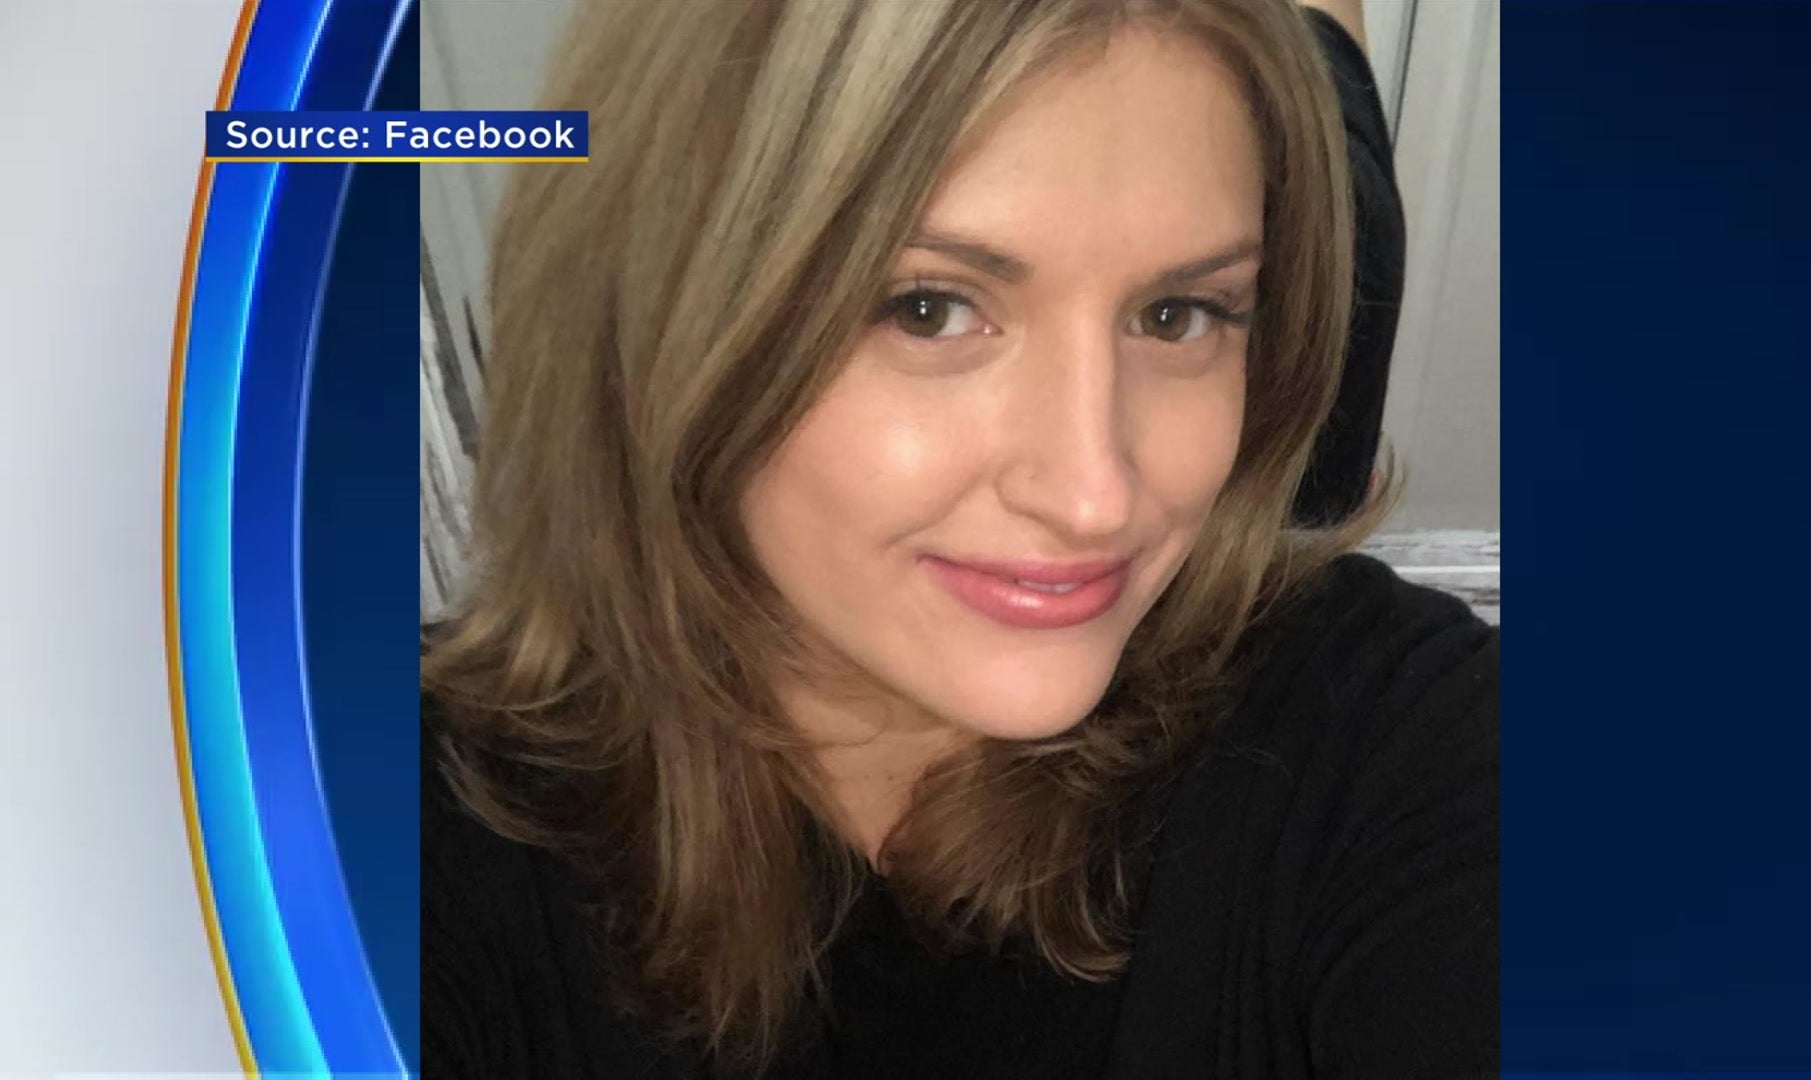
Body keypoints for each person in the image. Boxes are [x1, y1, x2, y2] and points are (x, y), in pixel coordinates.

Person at [423, 1, 1495, 1077]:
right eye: (927, 308)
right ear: (654, 320)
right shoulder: (376, 826)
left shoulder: (1389, 734)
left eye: (1178, 314)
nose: (1095, 499)